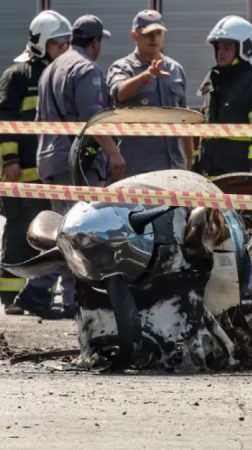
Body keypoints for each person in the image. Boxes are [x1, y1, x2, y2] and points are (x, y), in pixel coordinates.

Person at [36, 15, 126, 317]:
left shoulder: (51, 68)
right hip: (76, 164)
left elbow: (39, 121)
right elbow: (93, 118)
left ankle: (54, 295)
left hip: (50, 158)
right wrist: (114, 153)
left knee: (63, 232)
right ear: (96, 41)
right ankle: (72, 299)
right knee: (84, 234)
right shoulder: (86, 69)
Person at [0, 10, 72, 318]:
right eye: (58, 43)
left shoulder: (58, 73)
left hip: (46, 175)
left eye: (66, 43)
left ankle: (39, 293)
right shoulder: (17, 75)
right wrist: (10, 159)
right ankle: (10, 294)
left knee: (47, 233)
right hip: (21, 172)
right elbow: (4, 118)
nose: (63, 49)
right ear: (41, 42)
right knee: (18, 231)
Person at [107, 9, 193, 176]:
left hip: (174, 167)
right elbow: (119, 93)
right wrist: (147, 76)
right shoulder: (122, 67)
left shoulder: (176, 70)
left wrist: (188, 160)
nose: (154, 39)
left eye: (158, 33)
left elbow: (185, 118)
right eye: (148, 34)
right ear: (134, 36)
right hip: (138, 171)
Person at [195, 15, 252, 177]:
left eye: (227, 48)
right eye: (219, 48)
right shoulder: (214, 82)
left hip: (241, 180)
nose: (220, 53)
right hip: (210, 179)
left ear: (245, 48)